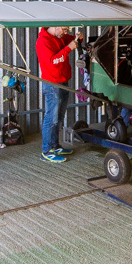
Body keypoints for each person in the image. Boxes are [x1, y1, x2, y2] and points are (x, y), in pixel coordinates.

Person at [36, 25, 81, 162]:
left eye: (67, 30)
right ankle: (46, 150)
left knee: (59, 116)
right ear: (55, 26)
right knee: (51, 118)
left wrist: (77, 38)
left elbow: (70, 39)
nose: (65, 33)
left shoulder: (59, 36)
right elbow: (52, 62)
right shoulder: (43, 41)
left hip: (63, 81)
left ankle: (55, 145)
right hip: (52, 84)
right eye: (64, 29)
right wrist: (68, 49)